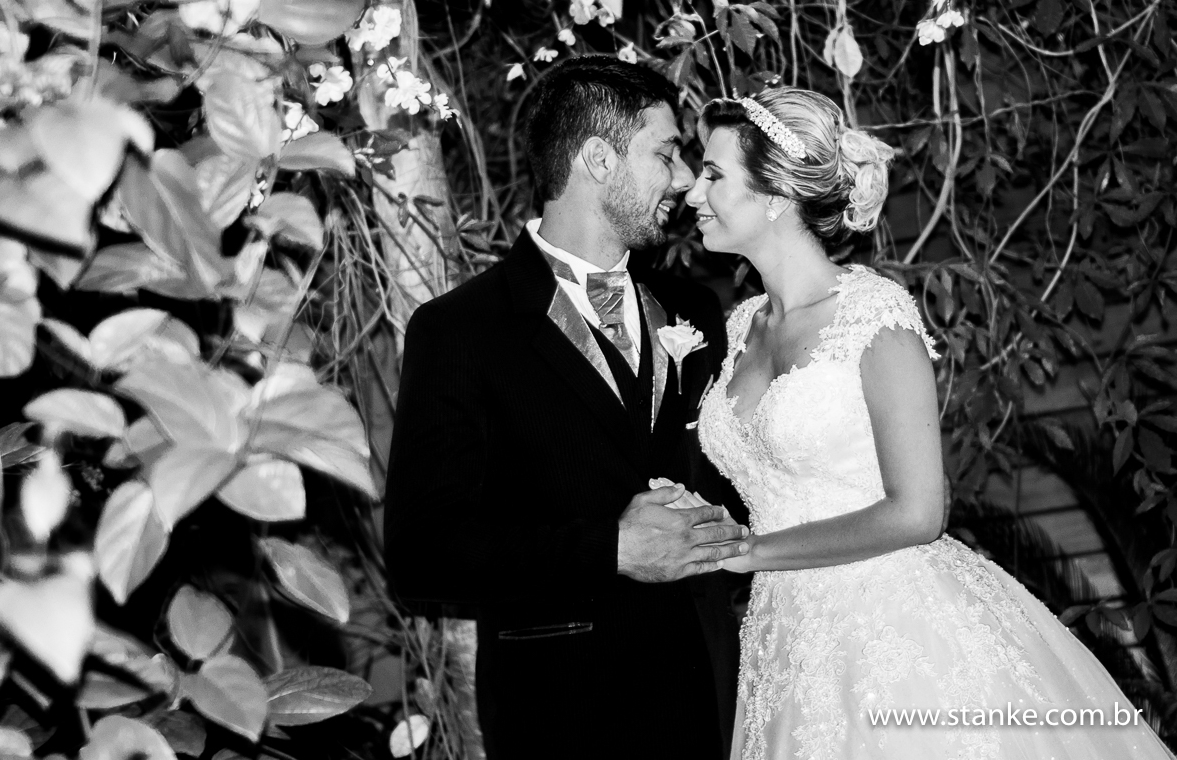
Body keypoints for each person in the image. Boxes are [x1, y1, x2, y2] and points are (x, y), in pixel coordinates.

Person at [686, 87, 1177, 760]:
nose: (691, 191)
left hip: (897, 624)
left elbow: (919, 511)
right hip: (784, 636)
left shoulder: (872, 317)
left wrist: (752, 551)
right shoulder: (741, 326)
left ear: (775, 192)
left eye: (713, 175)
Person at [383, 55, 750, 760]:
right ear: (597, 158)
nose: (682, 180)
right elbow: (422, 552)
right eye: (666, 153)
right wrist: (611, 548)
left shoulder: (695, 309)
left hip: (713, 703)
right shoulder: (460, 331)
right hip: (565, 717)